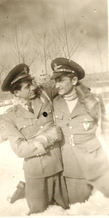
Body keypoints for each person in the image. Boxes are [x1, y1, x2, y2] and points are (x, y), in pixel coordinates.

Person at [1, 63, 69, 215]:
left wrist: (85, 93)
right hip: (36, 174)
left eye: (31, 83)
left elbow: (68, 84)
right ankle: (23, 191)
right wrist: (49, 137)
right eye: (27, 86)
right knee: (39, 213)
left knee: (65, 211)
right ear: (16, 93)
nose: (33, 87)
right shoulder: (10, 116)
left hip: (58, 167)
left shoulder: (44, 96)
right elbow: (20, 149)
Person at [50, 57, 109, 205]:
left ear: (74, 80)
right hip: (72, 167)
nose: (57, 85)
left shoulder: (93, 100)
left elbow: (106, 128)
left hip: (96, 163)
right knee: (79, 207)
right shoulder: (55, 102)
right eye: (55, 81)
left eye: (61, 80)